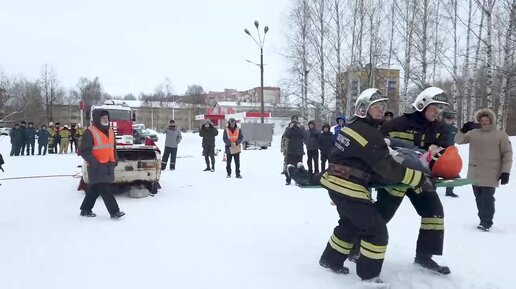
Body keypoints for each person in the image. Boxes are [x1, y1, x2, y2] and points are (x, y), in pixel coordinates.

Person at [318, 88, 431, 285]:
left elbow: (358, 159)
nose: (380, 111)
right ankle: (369, 277)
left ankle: (330, 260)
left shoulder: (351, 127)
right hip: (349, 187)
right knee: (376, 231)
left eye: (382, 107)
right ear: (363, 109)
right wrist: (418, 178)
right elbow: (386, 168)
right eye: (376, 107)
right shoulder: (369, 133)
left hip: (337, 183)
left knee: (350, 224)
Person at [377, 86, 451, 274]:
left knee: (434, 213)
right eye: (434, 108)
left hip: (422, 181)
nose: (437, 113)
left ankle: (425, 256)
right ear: (422, 105)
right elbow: (377, 148)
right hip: (396, 179)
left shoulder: (440, 128)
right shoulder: (396, 124)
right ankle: (356, 247)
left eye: (440, 109)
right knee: (380, 216)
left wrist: (439, 153)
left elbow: (445, 156)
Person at [455, 108, 513, 232]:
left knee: (487, 198)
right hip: (474, 172)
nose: (485, 122)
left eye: (487, 120)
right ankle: (483, 218)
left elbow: (507, 154)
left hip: (491, 172)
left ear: (491, 121)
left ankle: (486, 222)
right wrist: (463, 130)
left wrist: (505, 172)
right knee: (479, 198)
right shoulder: (473, 133)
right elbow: (458, 141)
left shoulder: (501, 135)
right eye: (482, 120)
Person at [79, 110, 125, 219]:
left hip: (108, 165)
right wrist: (94, 163)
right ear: (97, 119)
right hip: (97, 167)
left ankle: (85, 209)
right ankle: (115, 212)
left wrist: (115, 159)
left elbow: (112, 148)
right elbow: (84, 151)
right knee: (105, 190)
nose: (106, 120)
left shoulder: (110, 131)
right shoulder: (89, 132)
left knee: (94, 189)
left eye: (106, 118)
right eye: (103, 118)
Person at [441, 111, 459, 197]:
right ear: (443, 118)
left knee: (452, 172)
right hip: (438, 152)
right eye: (448, 118)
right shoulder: (437, 127)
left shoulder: (454, 129)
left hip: (450, 153)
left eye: (451, 118)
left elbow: (456, 140)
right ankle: (430, 190)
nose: (449, 120)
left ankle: (449, 191)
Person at [284, 120, 306, 185]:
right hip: (291, 151)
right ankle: (288, 179)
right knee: (289, 166)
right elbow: (286, 135)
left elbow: (305, 135)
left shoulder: (301, 129)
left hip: (299, 151)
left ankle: (298, 179)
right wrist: (289, 128)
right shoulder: (289, 129)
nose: (295, 124)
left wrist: (300, 128)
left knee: (299, 166)